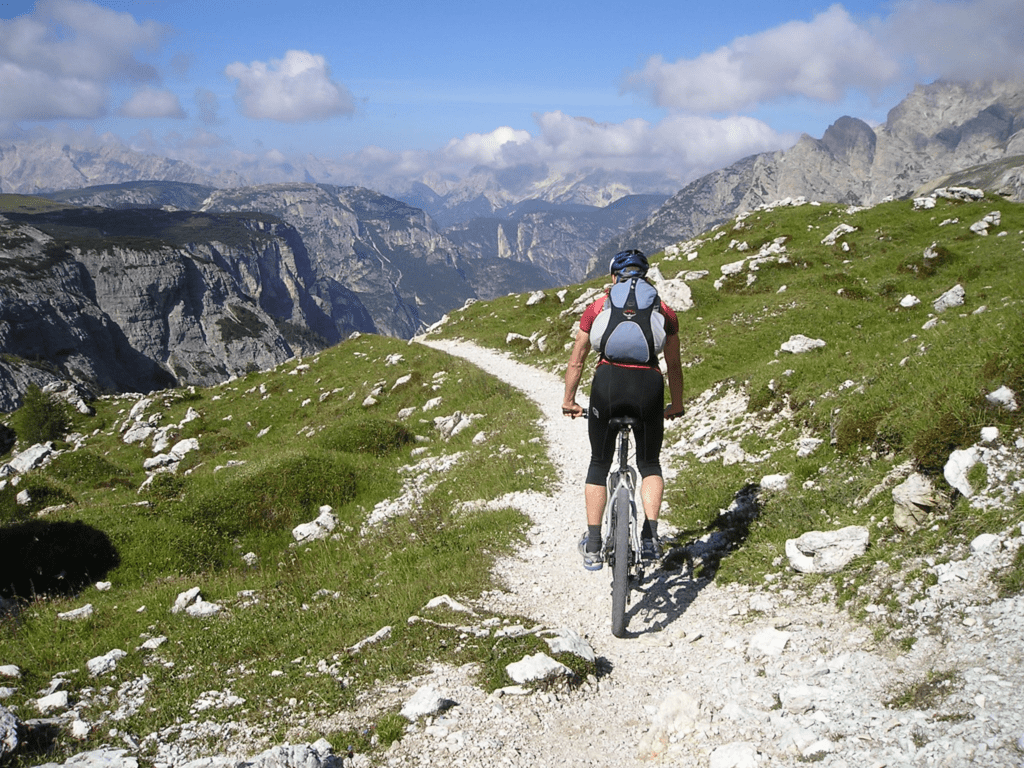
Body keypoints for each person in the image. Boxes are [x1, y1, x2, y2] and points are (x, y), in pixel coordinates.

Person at [561, 249, 684, 570]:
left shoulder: (598, 306)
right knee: (650, 463)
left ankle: (593, 544)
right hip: (649, 386)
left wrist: (569, 401)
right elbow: (673, 364)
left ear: (614, 277)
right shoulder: (664, 311)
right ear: (644, 276)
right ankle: (650, 538)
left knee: (599, 463)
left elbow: (577, 358)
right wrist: (678, 404)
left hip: (608, 384)